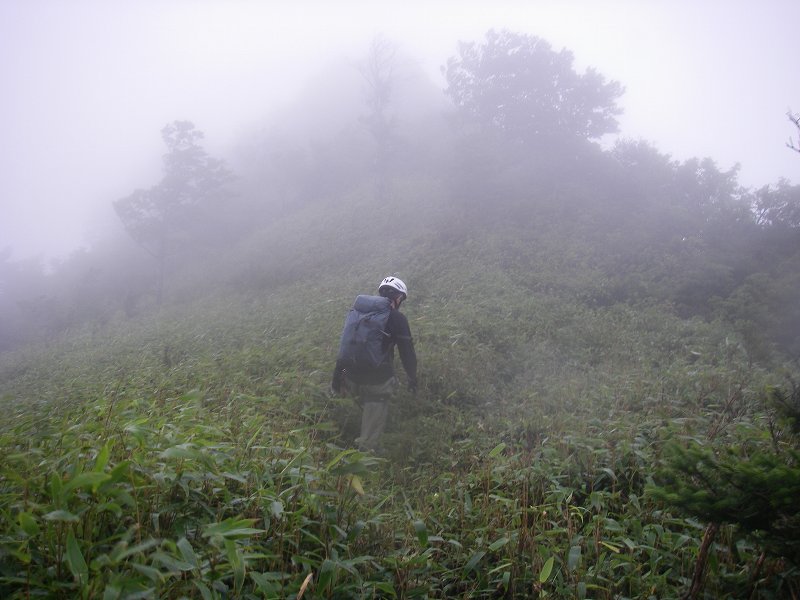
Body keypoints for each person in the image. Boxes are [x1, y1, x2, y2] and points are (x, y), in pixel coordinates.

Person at [331, 276, 417, 453]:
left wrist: (338, 376)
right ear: (399, 297)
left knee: (353, 404)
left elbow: (345, 347)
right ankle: (367, 451)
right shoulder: (397, 318)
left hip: (349, 376)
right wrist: (412, 379)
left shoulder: (356, 313)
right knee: (377, 399)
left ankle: (340, 438)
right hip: (377, 381)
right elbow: (407, 353)